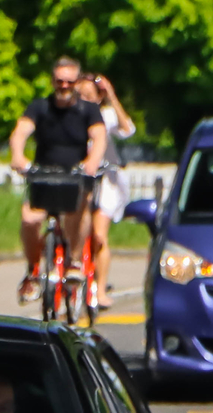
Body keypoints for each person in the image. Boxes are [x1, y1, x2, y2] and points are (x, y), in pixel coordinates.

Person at [8, 57, 109, 304]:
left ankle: (74, 262)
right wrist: (18, 156)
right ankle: (33, 270)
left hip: (75, 174)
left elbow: (99, 137)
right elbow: (20, 132)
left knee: (77, 211)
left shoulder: (88, 110)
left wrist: (92, 162)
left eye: (69, 82)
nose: (64, 86)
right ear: (53, 81)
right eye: (59, 81)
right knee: (29, 220)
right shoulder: (39, 107)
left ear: (76, 83)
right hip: (44, 174)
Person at [83, 73, 136, 310]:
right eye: (79, 96)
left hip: (106, 179)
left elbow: (128, 129)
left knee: (99, 235)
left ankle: (100, 288)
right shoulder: (71, 115)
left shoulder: (105, 115)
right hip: (79, 178)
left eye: (88, 96)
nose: (82, 100)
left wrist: (112, 95)